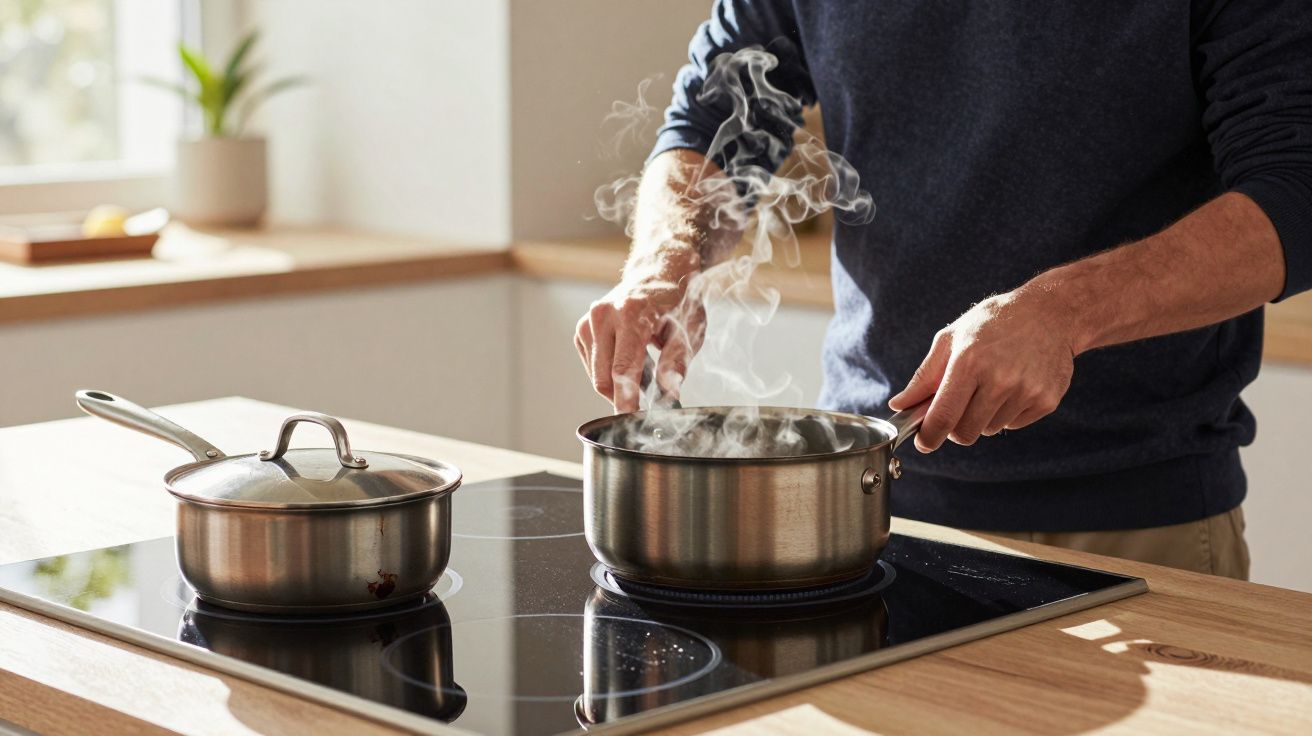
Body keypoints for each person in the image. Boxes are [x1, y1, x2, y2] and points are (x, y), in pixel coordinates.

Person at [573, 1, 1312, 579]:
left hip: (1134, 517)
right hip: (871, 511)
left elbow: (1295, 190)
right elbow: (714, 122)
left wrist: (1062, 314)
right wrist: (662, 268)